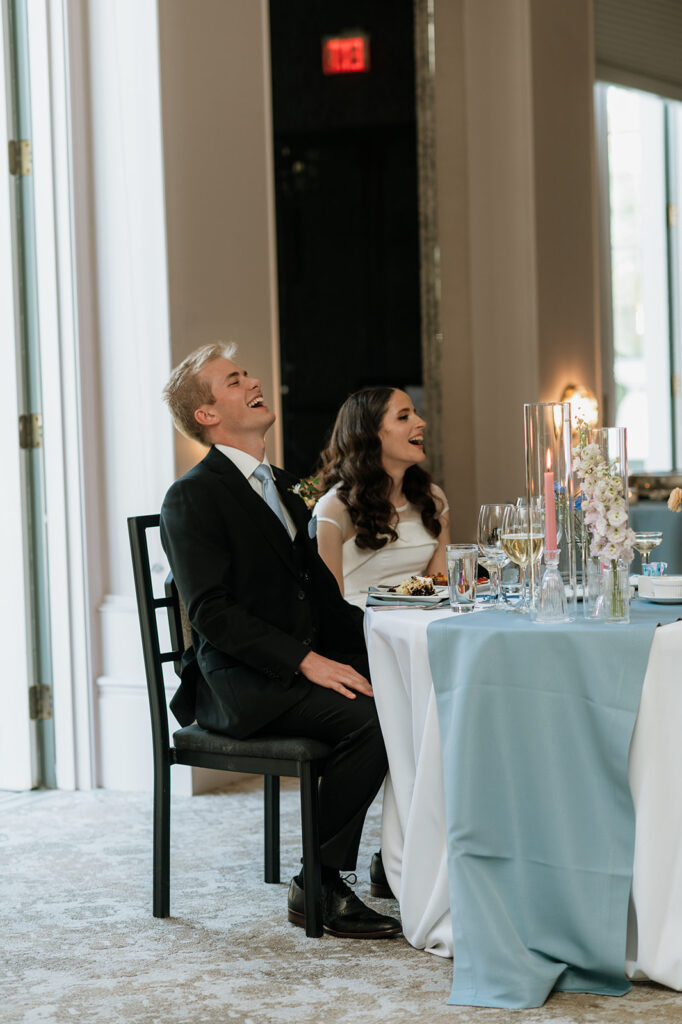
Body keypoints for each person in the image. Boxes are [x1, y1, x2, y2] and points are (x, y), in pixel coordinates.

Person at [159, 343, 400, 939]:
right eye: (234, 380)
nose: (254, 382)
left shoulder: (286, 487)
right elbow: (211, 613)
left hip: (292, 670)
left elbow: (321, 597)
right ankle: (317, 881)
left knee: (409, 690)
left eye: (249, 375)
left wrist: (389, 643)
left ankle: (398, 859)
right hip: (238, 684)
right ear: (207, 415)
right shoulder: (191, 496)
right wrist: (307, 661)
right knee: (368, 718)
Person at [313, 387, 451, 608]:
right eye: (404, 417)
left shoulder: (432, 497)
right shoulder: (334, 508)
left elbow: (441, 590)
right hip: (362, 633)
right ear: (369, 434)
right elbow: (330, 610)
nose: (421, 422)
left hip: (420, 628)